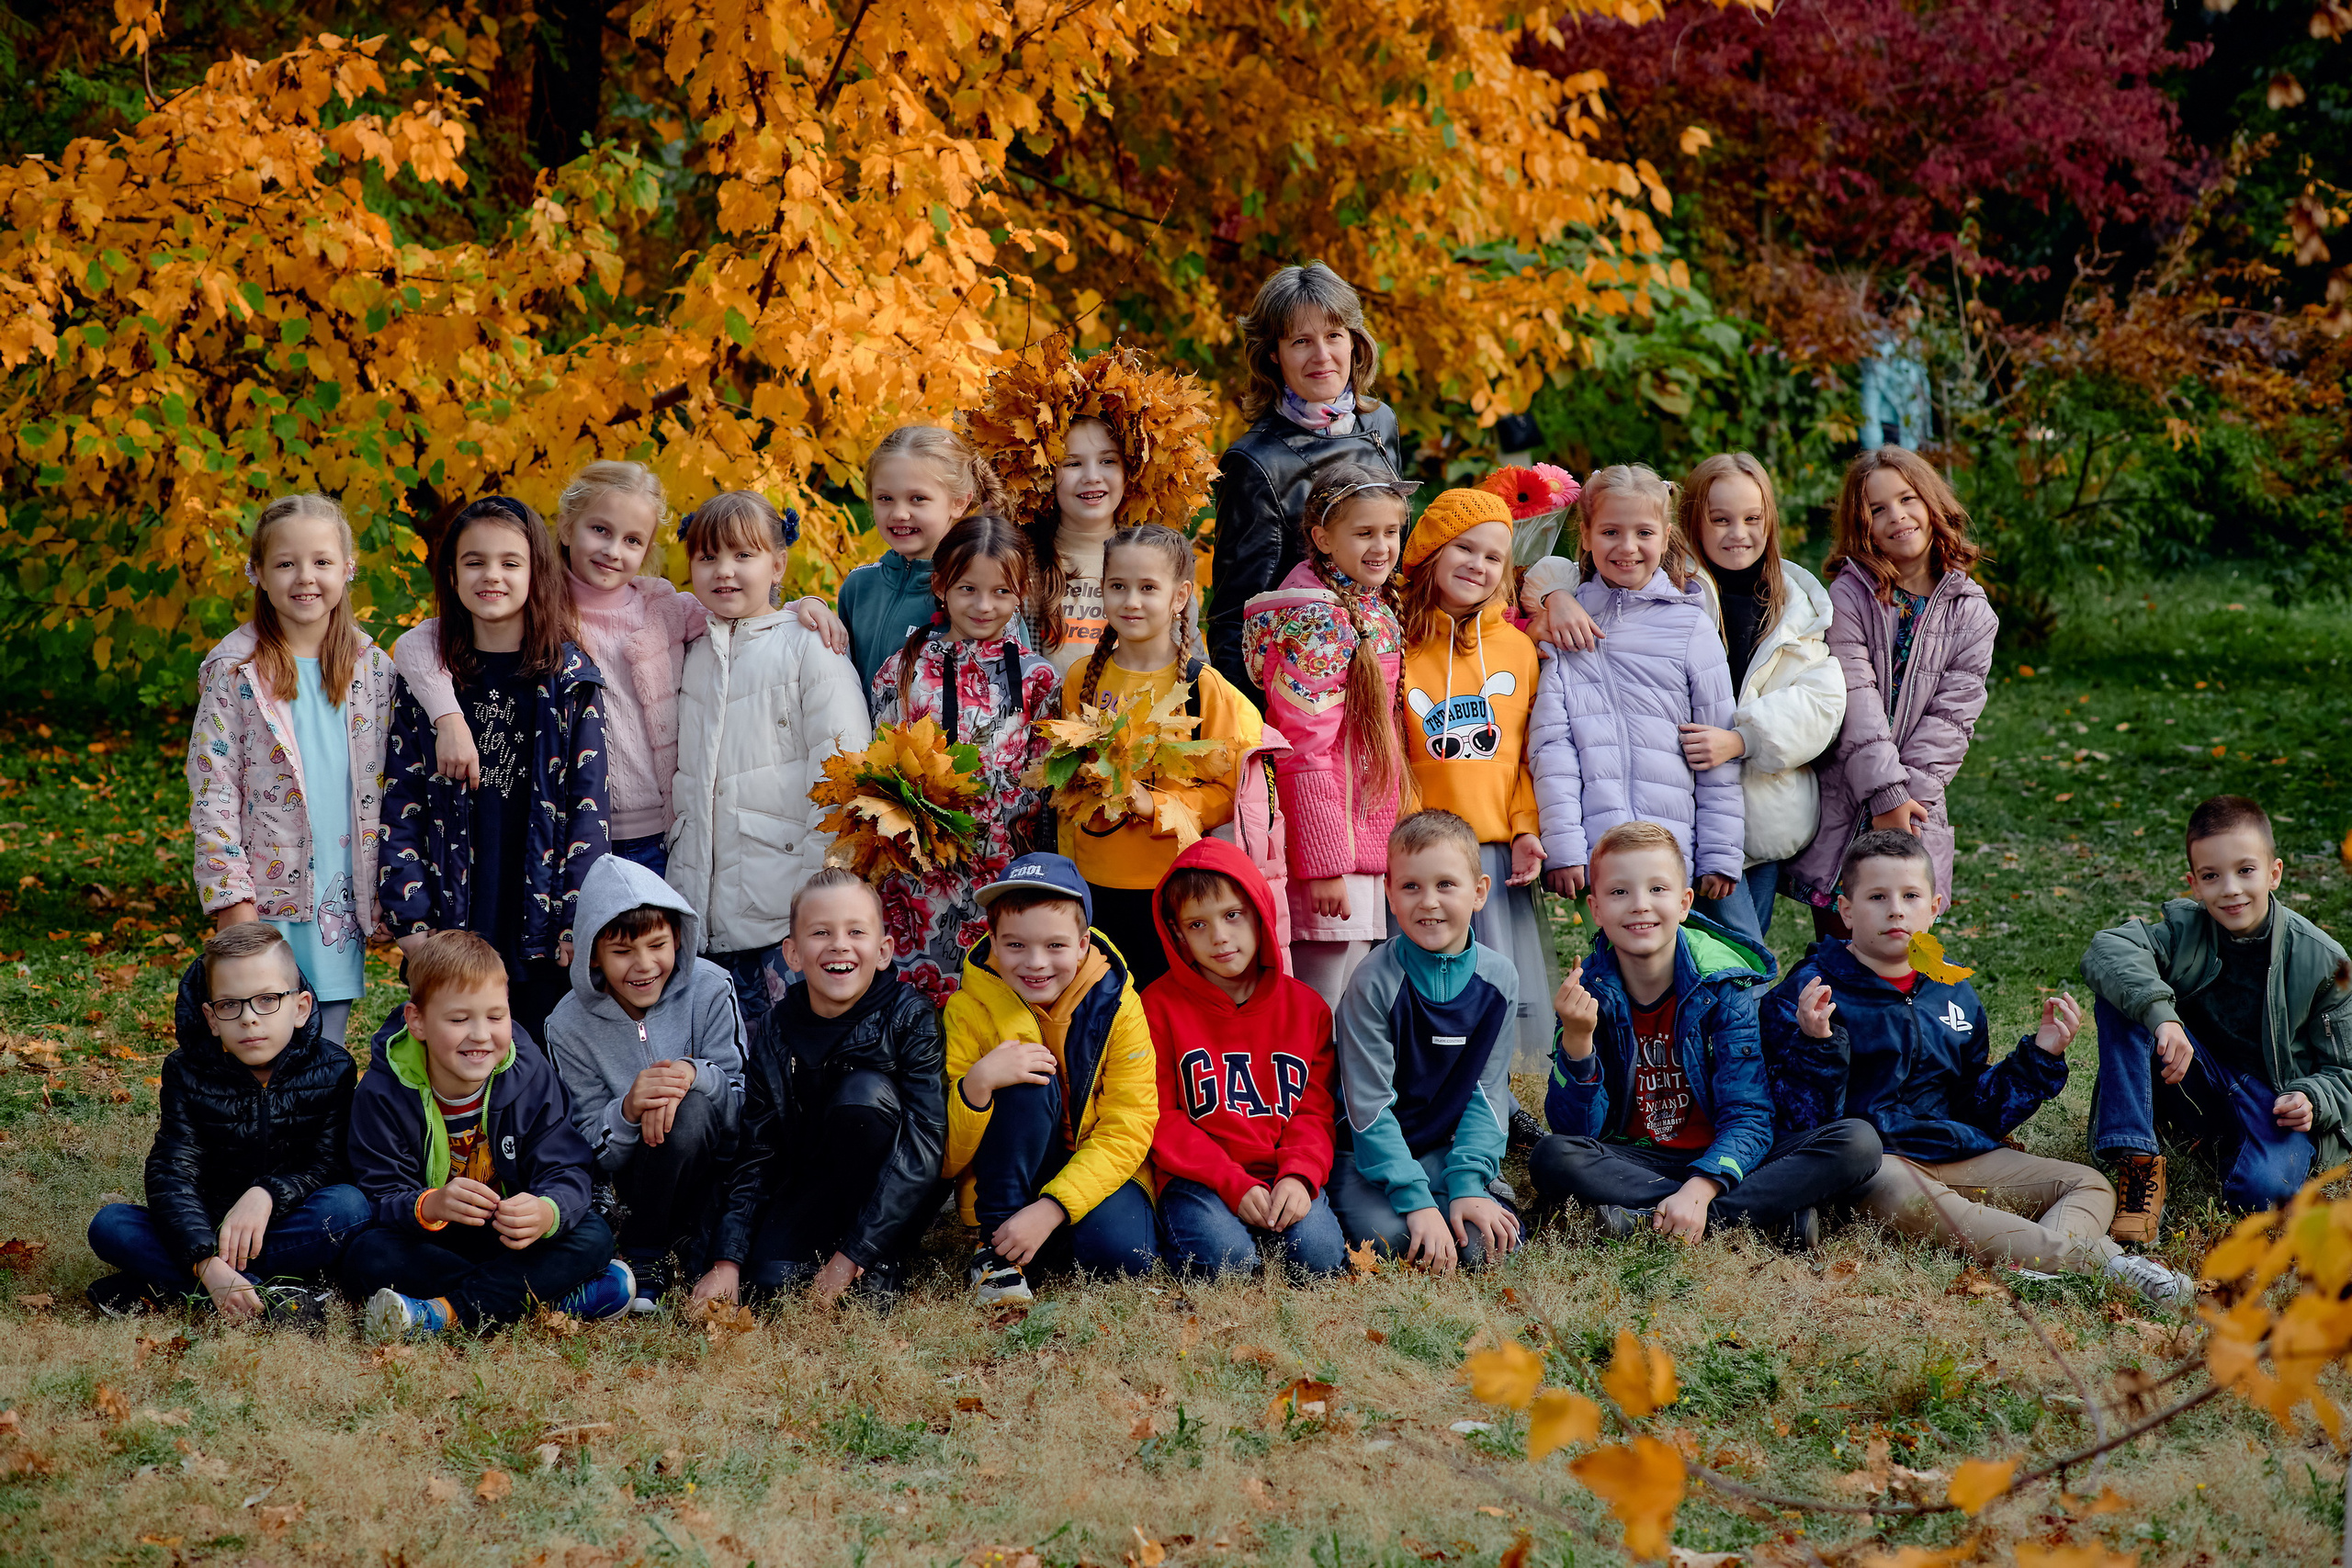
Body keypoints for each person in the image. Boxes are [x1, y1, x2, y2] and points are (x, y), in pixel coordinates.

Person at [1760, 830, 2196, 1305]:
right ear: (1845, 910)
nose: (1895, 910)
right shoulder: (1809, 991)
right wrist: (1815, 1044)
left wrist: (2040, 1056)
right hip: (1874, 1167)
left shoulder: (1952, 989)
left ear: (1935, 905)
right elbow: (1798, 1124)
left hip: (1952, 1151)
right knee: (1923, 1202)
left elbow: (1976, 1108)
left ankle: (2035, 1271)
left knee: (2087, 1184)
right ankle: (2113, 1267)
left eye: (1910, 896)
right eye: (1876, 897)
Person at [1530, 822, 1880, 1248]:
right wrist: (1578, 1042)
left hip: (1728, 1150)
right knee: (1552, 1157)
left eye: (1657, 889)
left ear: (1684, 903)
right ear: (1596, 909)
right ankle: (1758, 1216)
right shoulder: (1589, 994)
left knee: (1857, 1142)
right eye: (1620, 892)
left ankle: (1648, 1219)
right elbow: (1579, 1129)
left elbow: (1748, 1113)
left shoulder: (1723, 988)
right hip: (1641, 1157)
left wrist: (1702, 1186)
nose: (1640, 905)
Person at [393, 462, 707, 878]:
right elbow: (417, 643)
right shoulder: (539, 604)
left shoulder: (663, 607)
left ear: (647, 550)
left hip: (661, 833)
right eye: (600, 530)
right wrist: (448, 719)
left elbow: (742, 617)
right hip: (569, 831)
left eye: (632, 540)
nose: (613, 550)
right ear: (565, 528)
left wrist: (802, 609)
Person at [378, 495, 610, 1043]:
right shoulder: (432, 682)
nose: (492, 576)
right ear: (453, 575)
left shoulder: (572, 679)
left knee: (537, 1061)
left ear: (538, 573)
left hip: (541, 909)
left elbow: (589, 808)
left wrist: (578, 918)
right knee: (457, 1052)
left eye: (510, 562)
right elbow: (400, 798)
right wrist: (412, 925)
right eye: (474, 561)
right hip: (452, 909)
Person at [2083, 795, 2352, 1237]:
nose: (2230, 888)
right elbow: (2107, 949)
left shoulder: (2322, 961)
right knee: (2123, 992)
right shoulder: (2186, 930)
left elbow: (2345, 1069)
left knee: (2259, 1194)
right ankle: (2138, 1160)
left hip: (2271, 1098)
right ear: (2194, 883)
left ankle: (2229, 1143)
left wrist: (2313, 1099)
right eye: (2212, 876)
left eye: (2246, 870)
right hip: (2195, 1069)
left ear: (2274, 873)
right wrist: (2162, 1017)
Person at [345, 931, 632, 1337]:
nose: (480, 1034)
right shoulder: (382, 1092)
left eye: (496, 1017)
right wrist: (431, 1205)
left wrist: (546, 1210)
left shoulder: (530, 1074)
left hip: (510, 1236)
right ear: (418, 1021)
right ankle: (552, 1297)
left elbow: (566, 1168)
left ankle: (443, 1313)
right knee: (367, 1254)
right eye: (459, 1019)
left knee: (593, 1235)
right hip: (434, 1240)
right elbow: (379, 1194)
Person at [187, 492, 397, 1044]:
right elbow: (213, 790)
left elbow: (394, 784)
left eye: (322, 561)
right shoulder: (234, 669)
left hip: (337, 892)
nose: (305, 577)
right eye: (285, 563)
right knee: (257, 1033)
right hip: (263, 892)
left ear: (348, 568)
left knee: (324, 1040)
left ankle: (316, 1133)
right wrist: (231, 899)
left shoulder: (372, 668)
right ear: (256, 572)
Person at [663, 491, 872, 1035]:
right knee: (722, 1059)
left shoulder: (809, 646)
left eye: (743, 556)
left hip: (783, 909)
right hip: (702, 909)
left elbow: (842, 773)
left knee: (790, 1053)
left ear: (778, 564)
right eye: (707, 558)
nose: (724, 572)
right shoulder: (692, 648)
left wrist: (824, 901)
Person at [692, 868, 946, 1310]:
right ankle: (817, 1253)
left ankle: (875, 1262)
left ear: (884, 950)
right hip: (811, 1184)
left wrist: (850, 1259)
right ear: (792, 953)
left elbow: (923, 1147)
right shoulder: (776, 1029)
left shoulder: (911, 1018)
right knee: (767, 1284)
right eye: (821, 932)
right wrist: (726, 1261)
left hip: (888, 1196)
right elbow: (760, 1152)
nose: (839, 944)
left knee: (861, 1096)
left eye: (856, 931)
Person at [86, 923, 368, 1321]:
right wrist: (205, 1260)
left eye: (268, 999)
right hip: (208, 1224)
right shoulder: (186, 1072)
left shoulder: (334, 1068)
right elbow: (173, 1169)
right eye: (230, 1005)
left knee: (350, 1207)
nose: (249, 1019)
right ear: (211, 1017)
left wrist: (267, 1193)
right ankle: (267, 1292)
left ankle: (173, 1287)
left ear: (301, 1007)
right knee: (111, 1225)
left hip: (288, 1224)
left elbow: (331, 1164)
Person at [1785, 446, 1996, 939]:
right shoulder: (1849, 595)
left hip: (1916, 808)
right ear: (1861, 527)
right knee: (1841, 945)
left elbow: (1952, 720)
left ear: (1932, 503)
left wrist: (1906, 802)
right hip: (1848, 799)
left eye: (1906, 499)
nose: (1897, 516)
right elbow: (1854, 696)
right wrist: (1884, 794)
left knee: (1902, 943)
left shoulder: (1972, 612)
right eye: (1877, 510)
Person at [941, 853, 1159, 1302]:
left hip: (1090, 1162)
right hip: (1011, 1168)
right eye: (1016, 946)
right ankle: (997, 1251)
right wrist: (977, 1086)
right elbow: (946, 1158)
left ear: (1082, 945)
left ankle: (1042, 1233)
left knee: (1123, 1256)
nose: (1036, 963)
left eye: (1055, 946)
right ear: (994, 942)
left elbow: (1130, 1122)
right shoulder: (967, 1008)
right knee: (1022, 1069)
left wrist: (1053, 1208)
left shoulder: (1118, 1004)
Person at [1529, 463, 1744, 908]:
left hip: (1674, 846)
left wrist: (1721, 851)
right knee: (1611, 967)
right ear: (1585, 536)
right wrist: (1566, 846)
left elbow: (1716, 747)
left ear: (1665, 537)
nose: (1627, 548)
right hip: (1600, 850)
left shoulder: (1691, 627)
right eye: (1610, 532)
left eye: (1644, 533)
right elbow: (1553, 748)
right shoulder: (1565, 628)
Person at [1647, 455, 1843, 941]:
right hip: (1677, 799)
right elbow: (1568, 573)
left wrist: (1742, 739)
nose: (1739, 532)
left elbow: (1821, 703)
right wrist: (1553, 599)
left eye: (1752, 519)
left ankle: (1739, 1018)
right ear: (1694, 519)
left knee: (1744, 951)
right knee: (1690, 948)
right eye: (1721, 519)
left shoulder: (1793, 604)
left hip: (1759, 807)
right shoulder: (1665, 585)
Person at [1242, 460, 1413, 1007]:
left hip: (1363, 838)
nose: (1382, 546)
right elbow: (1305, 750)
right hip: (1330, 851)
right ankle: (1315, 1094)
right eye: (1364, 533)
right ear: (1322, 537)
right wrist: (1323, 866)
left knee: (1359, 994)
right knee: (1326, 996)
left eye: (1391, 532)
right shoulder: (1316, 621)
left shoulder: (1372, 604)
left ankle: (1351, 1094)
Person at [871, 514, 1061, 1005]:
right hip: (920, 884)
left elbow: (1049, 784)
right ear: (940, 585)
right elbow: (881, 775)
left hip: (1006, 880)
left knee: (998, 1011)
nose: (983, 605)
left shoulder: (1039, 679)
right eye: (968, 589)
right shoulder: (905, 670)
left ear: (1022, 591)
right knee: (920, 1014)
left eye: (1001, 592)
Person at [1063, 523, 1262, 991]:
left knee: (1165, 1011)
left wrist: (1162, 808)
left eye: (1148, 588)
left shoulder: (1204, 688)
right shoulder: (1080, 680)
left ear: (1180, 597)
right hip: (1094, 886)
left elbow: (1234, 790)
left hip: (1173, 889)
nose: (1131, 601)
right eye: (1118, 587)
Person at [1395, 486, 1552, 1073]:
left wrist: (1524, 827)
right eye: (1464, 548)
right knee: (1428, 982)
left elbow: (1524, 756)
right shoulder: (1398, 643)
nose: (1478, 566)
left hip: (1490, 850)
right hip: (1420, 847)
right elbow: (1391, 748)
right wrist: (1410, 829)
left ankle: (1499, 1093)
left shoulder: (1517, 650)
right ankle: (1426, 1085)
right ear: (1432, 550)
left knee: (1490, 981)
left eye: (1493, 557)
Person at [544, 854, 745, 1311]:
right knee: (660, 1107)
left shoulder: (712, 988)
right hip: (632, 1183)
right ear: (594, 952)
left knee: (687, 1106)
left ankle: (664, 1246)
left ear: (678, 936)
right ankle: (647, 1253)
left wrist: (694, 1077)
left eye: (658, 945)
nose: (644, 965)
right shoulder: (566, 1025)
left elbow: (742, 1103)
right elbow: (588, 1144)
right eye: (621, 952)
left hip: (712, 1166)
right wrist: (629, 1107)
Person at [1328, 810, 1522, 1273]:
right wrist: (1417, 1202)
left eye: (1446, 885)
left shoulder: (1499, 978)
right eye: (1411, 887)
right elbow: (1368, 1107)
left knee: (1483, 1247)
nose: (1428, 902)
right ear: (1390, 896)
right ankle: (1423, 1195)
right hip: (1364, 1154)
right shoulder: (1373, 980)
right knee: (1399, 1240)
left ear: (1479, 893)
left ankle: (1465, 1186)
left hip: (1441, 1145)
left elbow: (1488, 1091)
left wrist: (1470, 1183)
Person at [1143, 838, 1345, 1279]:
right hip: (1201, 1179)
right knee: (1227, 1265)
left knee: (1318, 1259)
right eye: (1197, 925)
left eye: (1232, 915)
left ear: (1259, 912)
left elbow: (1314, 1110)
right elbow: (1161, 1117)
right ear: (1177, 932)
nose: (1219, 937)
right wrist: (1232, 1184)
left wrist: (1298, 1176)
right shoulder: (1157, 1007)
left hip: (1281, 1173)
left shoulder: (1307, 1009)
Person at [1209, 264, 1405, 709]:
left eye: (1333, 335)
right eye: (1301, 341)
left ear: (1354, 342)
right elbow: (1232, 620)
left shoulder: (1381, 423)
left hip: (1387, 672)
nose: (1322, 356)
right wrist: (1255, 742)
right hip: (1303, 701)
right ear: (1273, 354)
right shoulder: (1255, 462)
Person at [964, 338, 1218, 676]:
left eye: (1108, 462)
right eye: (1072, 465)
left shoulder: (1161, 560)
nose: (1092, 477)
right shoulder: (1020, 562)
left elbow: (1193, 664)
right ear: (1045, 474)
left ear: (1131, 470)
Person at [839, 426, 1017, 693]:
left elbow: (1012, 686)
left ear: (958, 502)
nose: (899, 513)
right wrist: (808, 607)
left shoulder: (981, 592)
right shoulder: (859, 585)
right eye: (885, 498)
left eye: (917, 499)